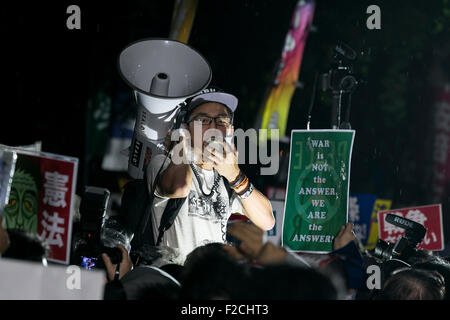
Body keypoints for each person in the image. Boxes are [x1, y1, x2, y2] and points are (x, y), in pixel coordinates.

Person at [146, 88, 275, 263]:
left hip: (210, 280)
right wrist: (181, 145)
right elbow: (179, 187)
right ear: (186, 127)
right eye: (203, 120)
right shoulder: (162, 162)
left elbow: (267, 221)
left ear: (230, 131)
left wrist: (236, 177)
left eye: (221, 121)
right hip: (173, 279)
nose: (213, 127)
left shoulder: (227, 176)